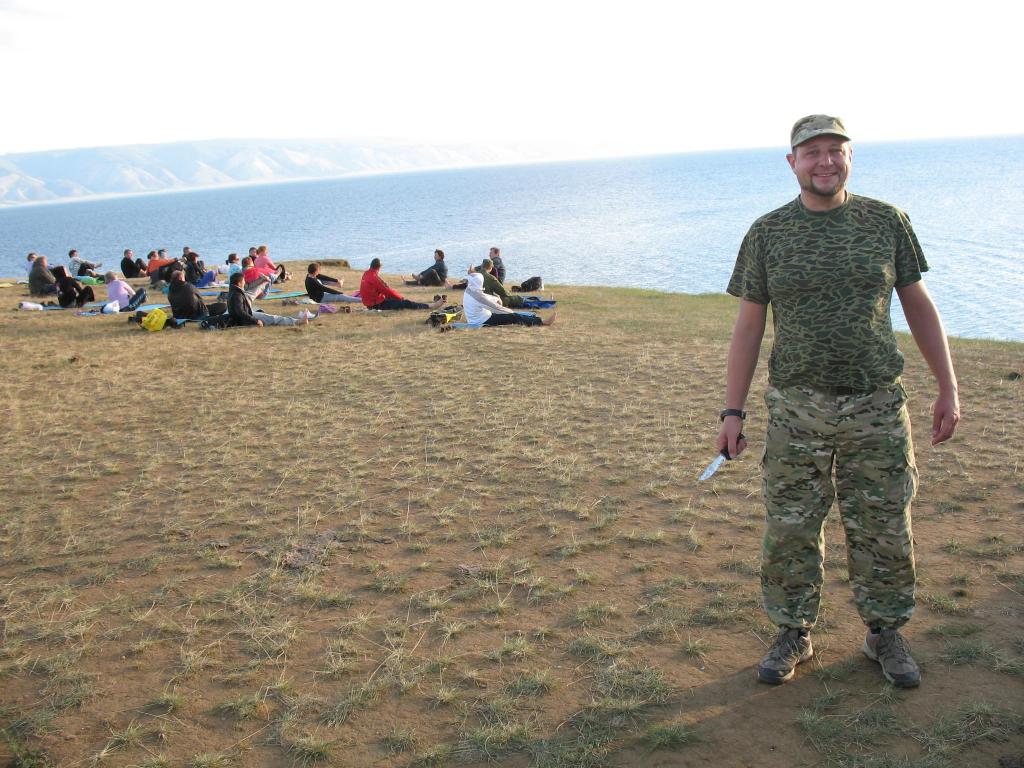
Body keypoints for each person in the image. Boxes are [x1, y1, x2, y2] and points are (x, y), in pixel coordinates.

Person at [717, 115, 960, 689]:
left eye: (836, 150)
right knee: (791, 527)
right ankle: (793, 630)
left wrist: (948, 386)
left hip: (876, 405)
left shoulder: (885, 221)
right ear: (793, 163)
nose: (825, 161)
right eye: (812, 152)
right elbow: (749, 327)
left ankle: (884, 632)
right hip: (795, 409)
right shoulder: (767, 233)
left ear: (850, 158)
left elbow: (918, 305)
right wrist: (732, 412)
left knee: (884, 525)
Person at [460, 270, 554, 329]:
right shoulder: (477, 296)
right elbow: (496, 308)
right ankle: (541, 322)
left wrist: (495, 298)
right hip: (483, 321)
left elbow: (483, 297)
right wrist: (510, 312)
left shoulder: (469, 290)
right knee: (514, 317)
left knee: (514, 314)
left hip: (478, 318)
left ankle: (533, 317)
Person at [226, 272, 308, 326]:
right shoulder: (237, 294)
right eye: (243, 281)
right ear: (239, 283)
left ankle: (266, 281)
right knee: (273, 318)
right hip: (244, 319)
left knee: (253, 293)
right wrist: (255, 321)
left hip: (243, 316)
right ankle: (297, 322)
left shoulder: (234, 290)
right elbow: (240, 312)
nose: (244, 282)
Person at [359, 258, 444, 311]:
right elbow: (387, 291)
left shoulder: (366, 274)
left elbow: (380, 288)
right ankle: (431, 306)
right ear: (379, 267)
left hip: (371, 304)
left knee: (397, 300)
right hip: (377, 305)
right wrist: (400, 298)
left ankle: (426, 304)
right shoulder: (374, 277)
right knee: (406, 303)